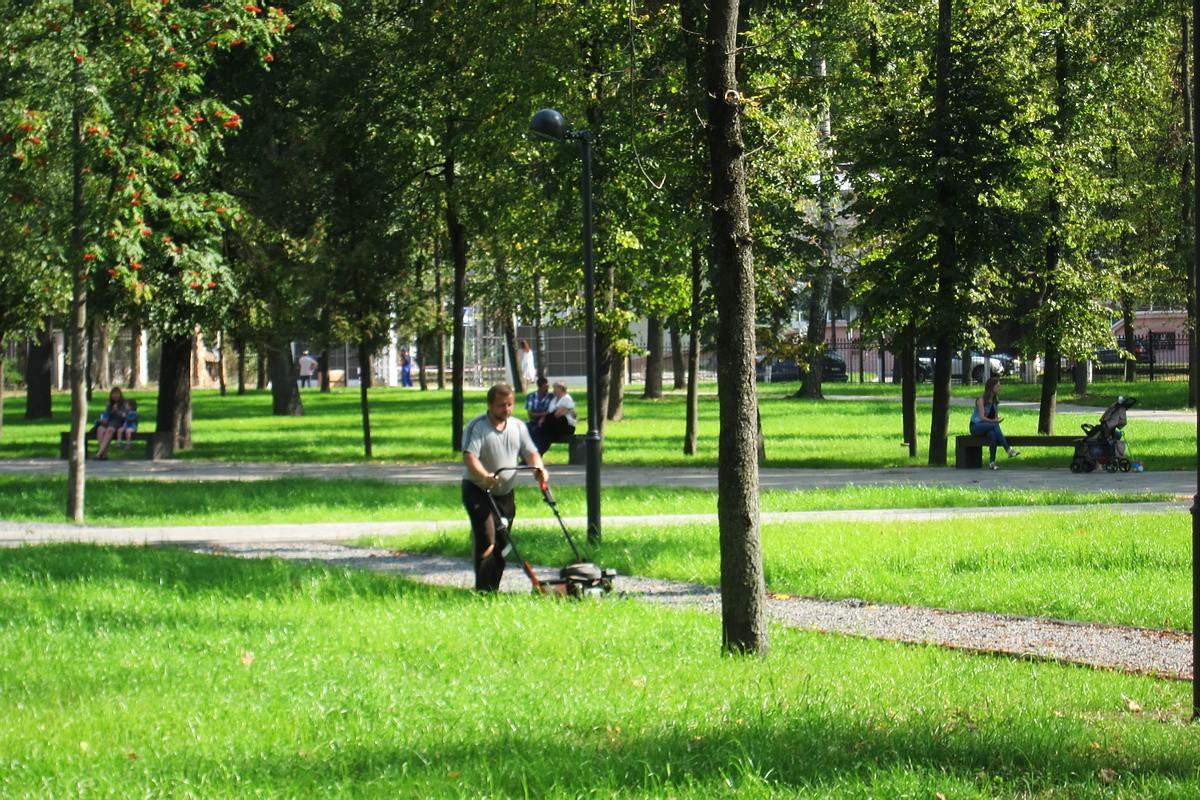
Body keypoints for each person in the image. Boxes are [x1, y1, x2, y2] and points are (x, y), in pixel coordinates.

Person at [461, 384, 548, 592]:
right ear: (490, 405)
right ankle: (482, 590)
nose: (506, 410)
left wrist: (539, 469)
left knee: (503, 544)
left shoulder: (518, 426)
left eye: (510, 405)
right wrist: (484, 476)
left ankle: (493, 589)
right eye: (501, 406)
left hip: (505, 494)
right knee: (487, 539)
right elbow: (469, 457)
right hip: (478, 491)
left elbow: (531, 453)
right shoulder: (477, 427)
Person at [971, 376, 1020, 469]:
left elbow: (995, 418)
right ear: (991, 387)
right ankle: (1008, 449)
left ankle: (992, 463)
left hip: (988, 426)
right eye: (997, 386)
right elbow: (981, 418)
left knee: (993, 435)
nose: (999, 388)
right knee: (993, 425)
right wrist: (994, 421)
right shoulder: (981, 400)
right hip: (976, 426)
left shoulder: (995, 401)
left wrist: (996, 421)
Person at [534, 380, 576, 454]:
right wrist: (542, 418)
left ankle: (537, 454)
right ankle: (535, 454)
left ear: (561, 389)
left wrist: (546, 417)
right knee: (543, 433)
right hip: (554, 425)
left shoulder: (567, 399)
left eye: (555, 389)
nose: (553, 391)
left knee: (547, 429)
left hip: (566, 426)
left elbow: (558, 414)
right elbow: (549, 413)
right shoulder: (554, 400)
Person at [93, 387, 127, 460]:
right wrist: (104, 419)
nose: (115, 396)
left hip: (119, 423)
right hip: (109, 422)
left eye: (117, 394)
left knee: (110, 430)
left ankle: (99, 454)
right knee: (100, 429)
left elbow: (125, 417)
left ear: (120, 395)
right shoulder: (109, 403)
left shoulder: (124, 403)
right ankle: (104, 454)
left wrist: (117, 411)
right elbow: (106, 414)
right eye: (113, 394)